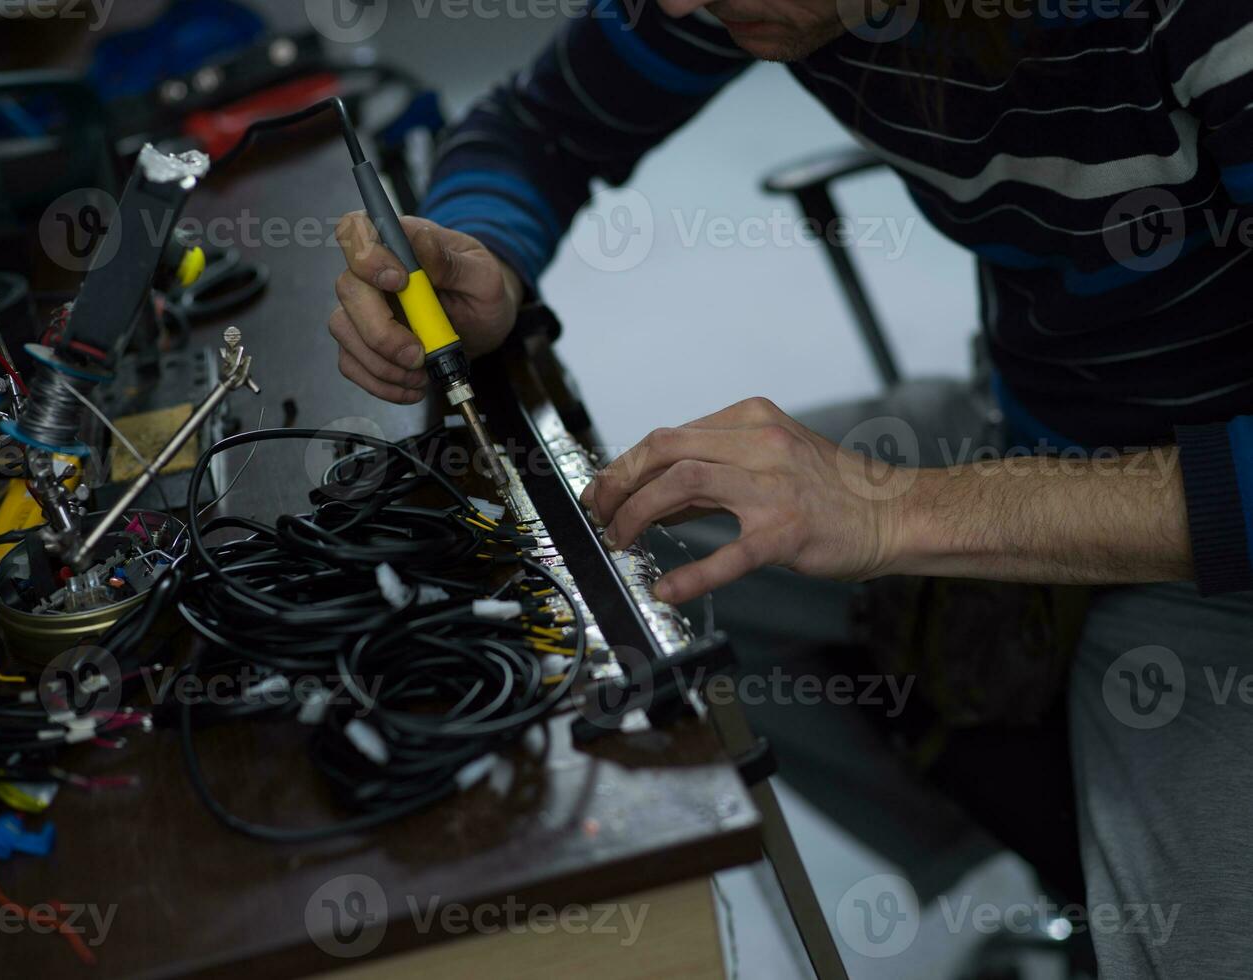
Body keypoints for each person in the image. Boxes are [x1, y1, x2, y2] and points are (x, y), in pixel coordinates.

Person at [327, 2, 1253, 975]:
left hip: (1216, 543)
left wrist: (903, 510)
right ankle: (1036, 866)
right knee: (634, 564)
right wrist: (485, 251)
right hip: (1037, 419)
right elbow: (540, 125)